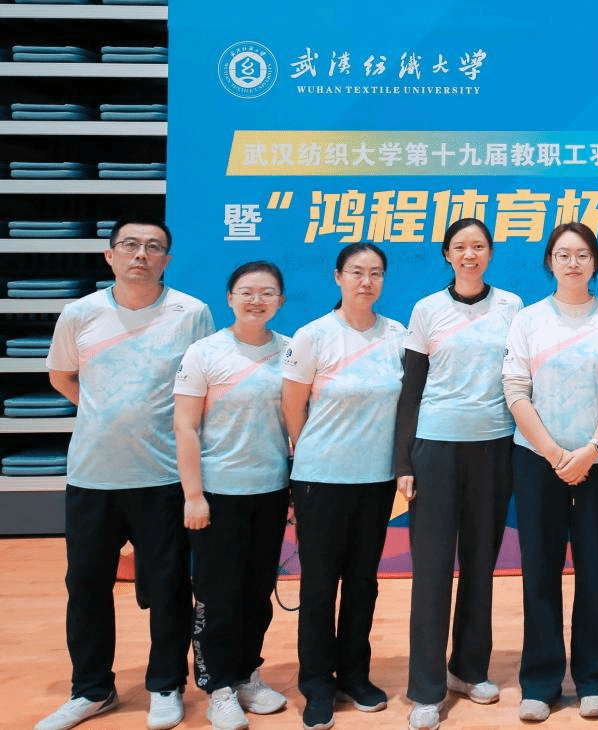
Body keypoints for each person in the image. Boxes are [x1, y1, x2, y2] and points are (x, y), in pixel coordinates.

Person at [39, 218, 214, 730]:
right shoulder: (79, 313)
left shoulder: (191, 313)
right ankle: (91, 689)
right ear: (110, 255)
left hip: (163, 476)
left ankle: (166, 684)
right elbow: (61, 375)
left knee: (167, 587)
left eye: (153, 247)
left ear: (167, 259)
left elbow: (205, 384)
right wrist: (104, 413)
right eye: (130, 245)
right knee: (87, 586)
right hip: (92, 475)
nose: (141, 254)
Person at [393, 219, 522, 730]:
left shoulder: (512, 307)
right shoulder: (426, 309)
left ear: (490, 253)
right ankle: (426, 689)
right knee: (431, 571)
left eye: (479, 246)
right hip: (435, 449)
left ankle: (468, 669)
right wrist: (403, 462)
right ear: (447, 254)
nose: (470, 254)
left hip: (494, 446)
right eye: (460, 247)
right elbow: (411, 389)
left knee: (480, 564)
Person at [502, 222, 598, 722]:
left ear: (595, 262)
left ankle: (595, 679)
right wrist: (555, 454)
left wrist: (591, 450)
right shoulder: (528, 320)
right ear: (549, 262)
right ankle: (540, 682)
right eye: (562, 254)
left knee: (596, 571)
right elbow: (516, 391)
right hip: (537, 461)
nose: (573, 263)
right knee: (540, 571)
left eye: (582, 254)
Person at [281, 243, 405, 730]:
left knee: (362, 583)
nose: (366, 281)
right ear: (338, 277)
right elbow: (292, 408)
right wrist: (313, 455)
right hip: (320, 480)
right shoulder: (313, 336)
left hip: (376, 481)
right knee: (318, 587)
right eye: (356, 272)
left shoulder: (396, 335)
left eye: (375, 273)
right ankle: (316, 683)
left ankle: (355, 675)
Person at [173, 261, 291, 730]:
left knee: (257, 593)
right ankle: (218, 686)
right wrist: (193, 495)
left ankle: (246, 674)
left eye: (267, 292)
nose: (256, 300)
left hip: (271, 490)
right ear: (229, 297)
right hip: (218, 494)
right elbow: (185, 426)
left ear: (280, 300)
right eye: (247, 291)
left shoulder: (291, 350)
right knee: (217, 596)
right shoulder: (204, 352)